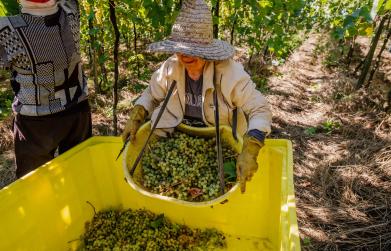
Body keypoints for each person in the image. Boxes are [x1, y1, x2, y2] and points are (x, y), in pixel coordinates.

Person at [122, 0, 272, 193]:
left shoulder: (229, 74)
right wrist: (138, 113)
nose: (185, 56)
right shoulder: (170, 67)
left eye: (193, 51)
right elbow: (152, 94)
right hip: (177, 138)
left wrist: (251, 148)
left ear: (207, 51)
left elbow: (260, 109)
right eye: (181, 50)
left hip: (217, 144)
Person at [0, 0, 91, 178]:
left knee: (35, 183)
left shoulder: (7, 30)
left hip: (36, 123)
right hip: (77, 112)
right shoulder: (70, 11)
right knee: (79, 175)